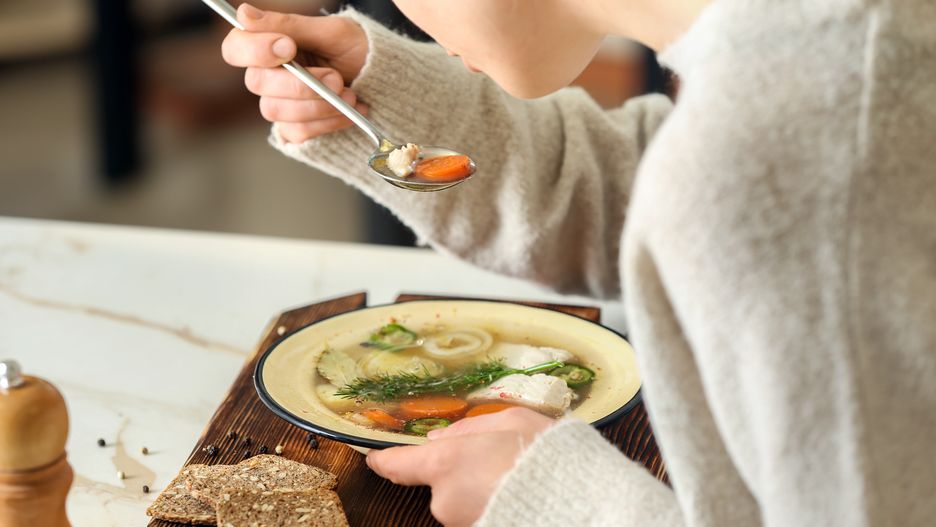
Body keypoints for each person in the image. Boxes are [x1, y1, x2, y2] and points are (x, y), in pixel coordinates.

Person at [220, 1, 936, 525]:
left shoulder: (782, 156)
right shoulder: (833, 53)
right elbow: (653, 196)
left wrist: (555, 502)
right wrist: (392, 100)